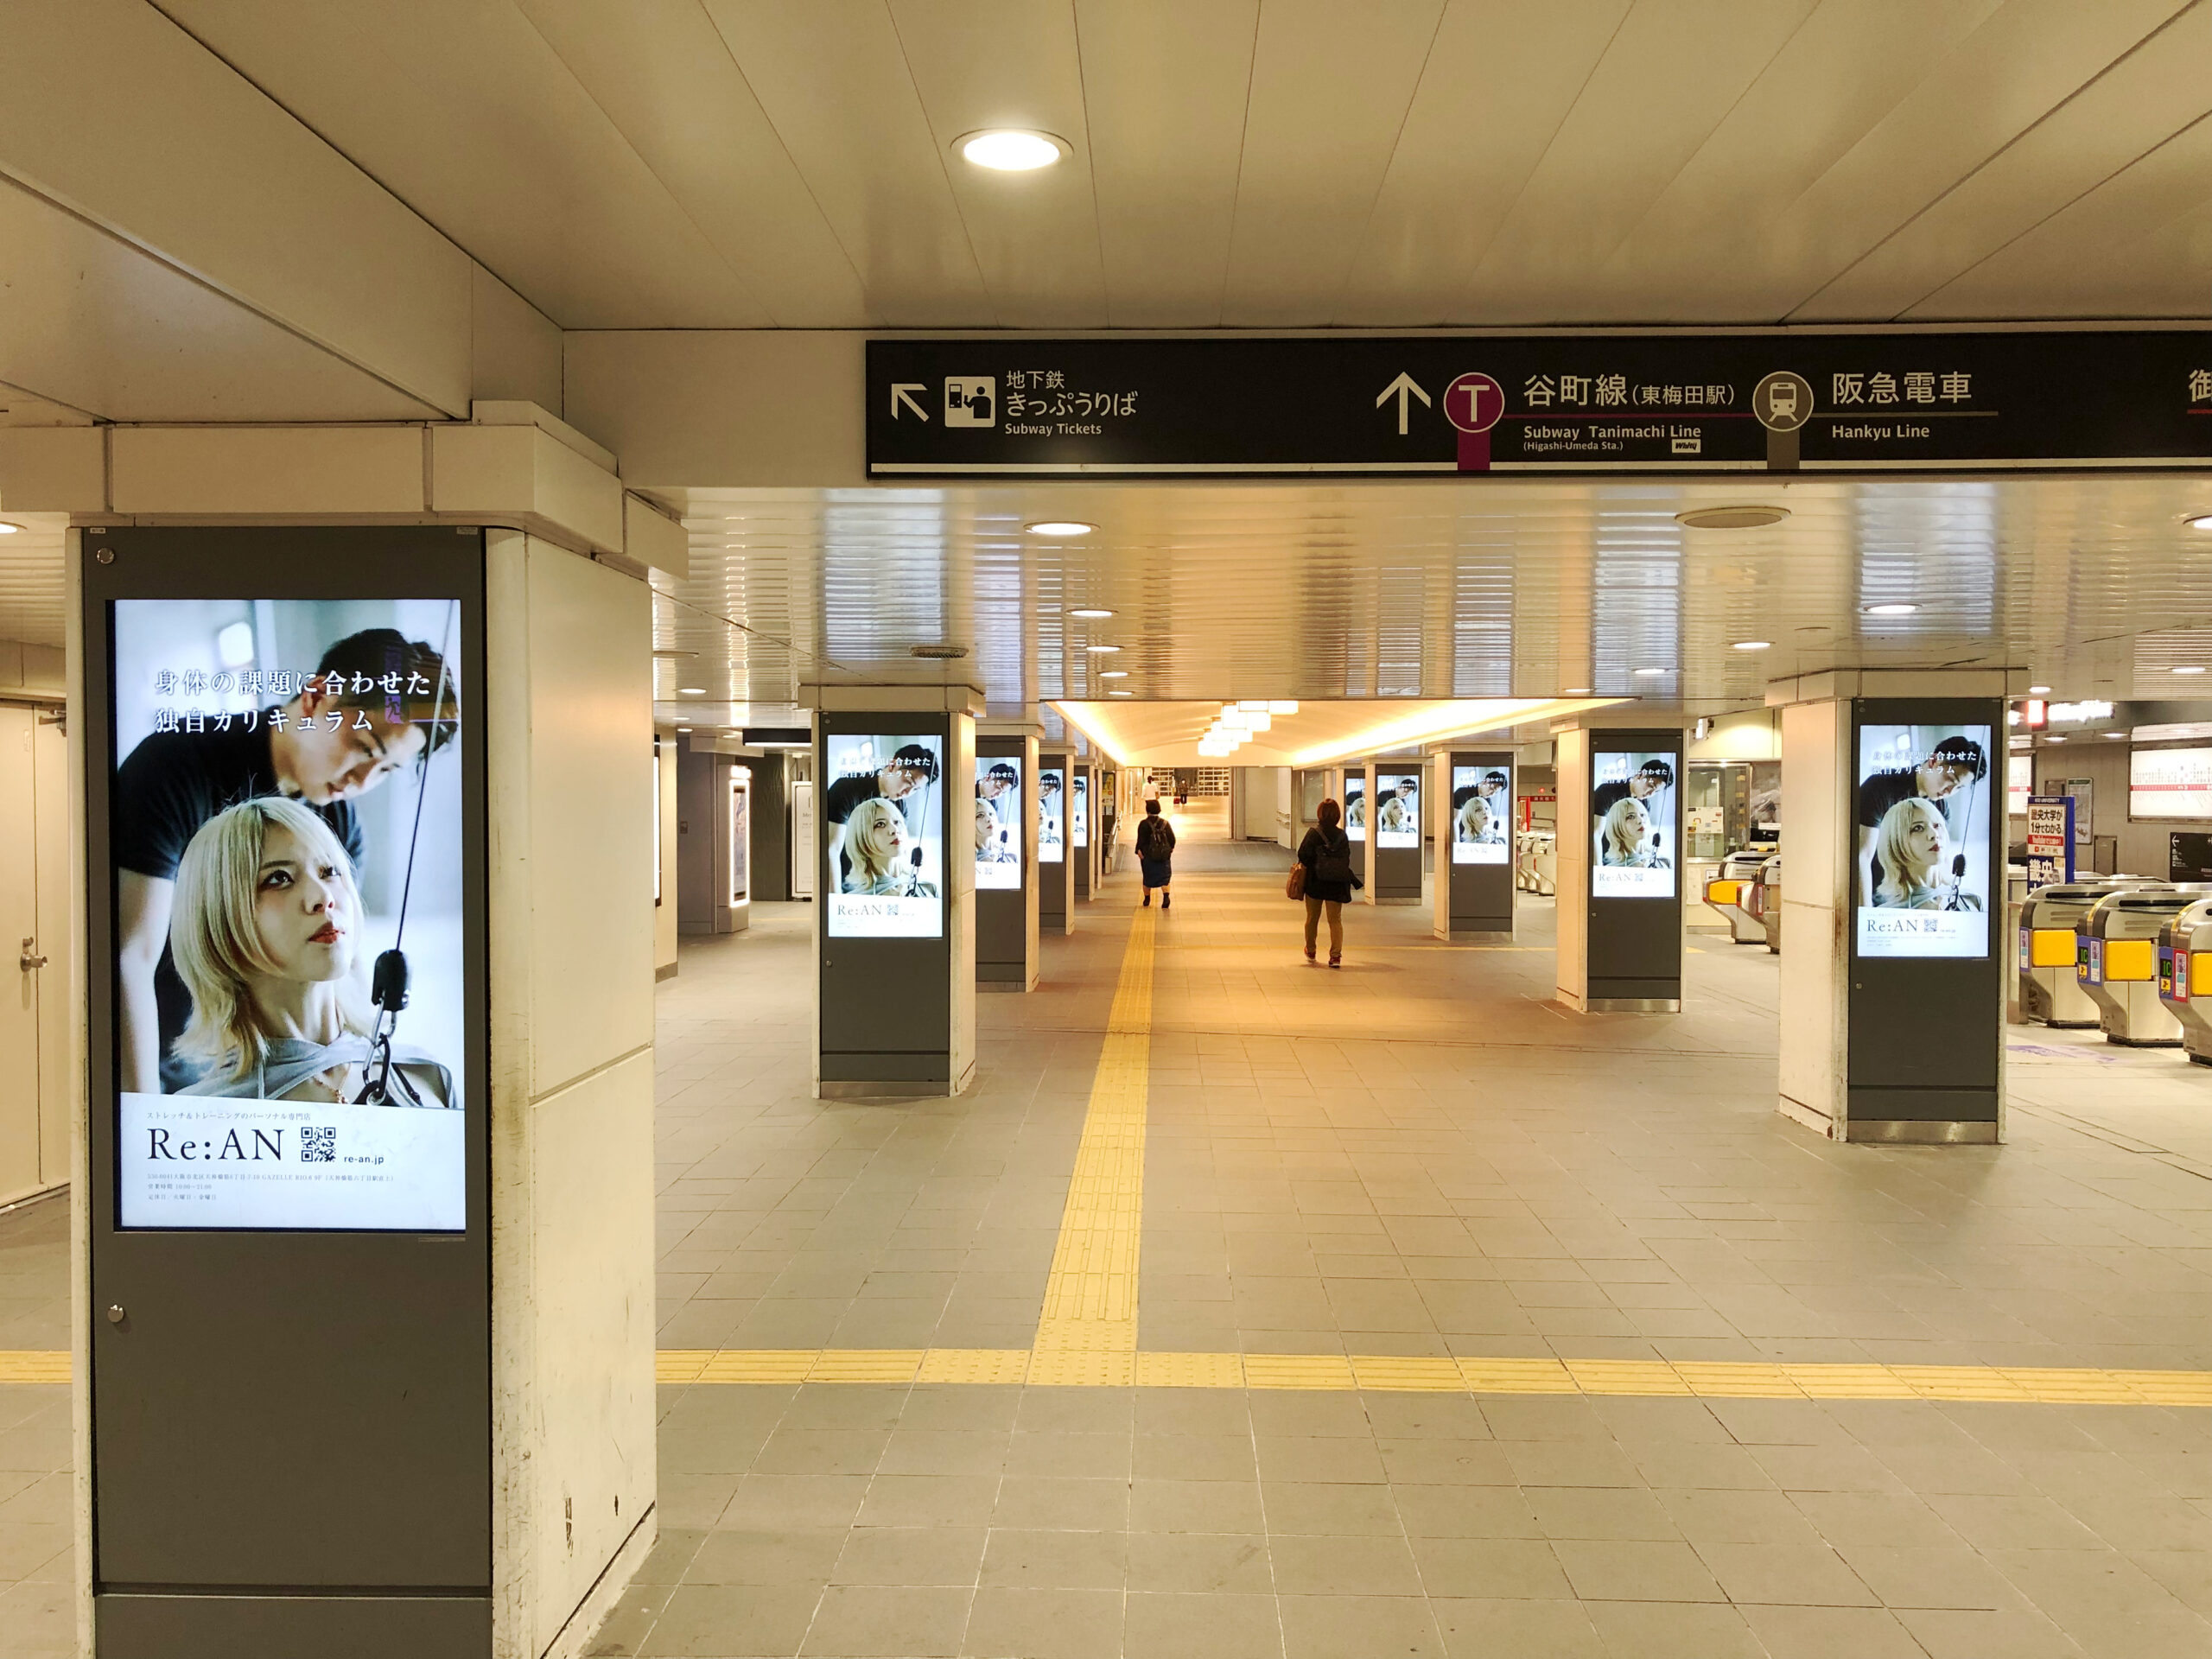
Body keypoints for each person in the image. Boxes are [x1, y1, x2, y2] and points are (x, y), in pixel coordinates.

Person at [115, 626, 457, 1094]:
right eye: (363, 749)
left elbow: (345, 968)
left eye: (387, 770)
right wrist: (143, 1119)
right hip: (168, 1062)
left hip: (285, 1069)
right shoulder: (175, 768)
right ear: (317, 699)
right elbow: (129, 956)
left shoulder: (342, 821)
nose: (362, 780)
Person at [168, 797, 451, 1105]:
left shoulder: (428, 1080)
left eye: (330, 871)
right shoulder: (201, 1119)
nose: (323, 897)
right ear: (218, 920)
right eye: (279, 879)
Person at [1857, 734, 1986, 900]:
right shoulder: (1880, 788)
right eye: (1950, 780)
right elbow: (1862, 857)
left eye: (1959, 788)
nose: (1950, 792)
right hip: (1876, 893)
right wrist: (1866, 910)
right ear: (1934, 761)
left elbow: (1941, 863)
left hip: (1914, 898)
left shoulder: (1941, 807)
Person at [1872, 797, 1980, 911]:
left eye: (1937, 825)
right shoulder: (1887, 914)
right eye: (1918, 828)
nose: (1934, 834)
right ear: (1895, 842)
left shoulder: (1972, 901)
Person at [1297, 798, 1360, 965]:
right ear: (1338, 815)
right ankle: (1335, 955)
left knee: (1312, 918)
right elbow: (1346, 857)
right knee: (1335, 920)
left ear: (1320, 814)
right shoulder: (1342, 835)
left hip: (1315, 882)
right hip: (1336, 882)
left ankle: (1311, 950)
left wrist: (1316, 863)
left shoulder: (1313, 833)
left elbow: (1302, 855)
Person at [843, 796, 938, 896]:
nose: (894, 830)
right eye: (880, 824)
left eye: (897, 822)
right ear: (861, 837)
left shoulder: (928, 889)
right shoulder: (855, 901)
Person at [1592, 757, 1672, 820]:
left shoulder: (1645, 805)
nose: (1651, 794)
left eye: (1656, 791)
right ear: (1640, 775)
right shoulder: (1606, 791)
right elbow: (1596, 834)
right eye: (1651, 786)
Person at [1600, 797, 1666, 867]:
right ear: (1616, 825)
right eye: (1631, 816)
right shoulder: (1611, 869)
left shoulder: (1663, 861)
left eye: (1642, 815)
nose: (1640, 821)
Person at [1135, 797, 1176, 908]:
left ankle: (1147, 899)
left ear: (1147, 810)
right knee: (1164, 878)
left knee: (1148, 877)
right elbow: (1172, 839)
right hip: (1163, 856)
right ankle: (1166, 897)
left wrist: (1139, 852)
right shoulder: (1165, 823)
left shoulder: (1144, 824)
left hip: (1148, 856)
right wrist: (1169, 851)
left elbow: (1140, 841)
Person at [974, 798, 1014, 863]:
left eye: (990, 814)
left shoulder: (1009, 856)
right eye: (980, 815)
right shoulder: (970, 858)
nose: (989, 819)